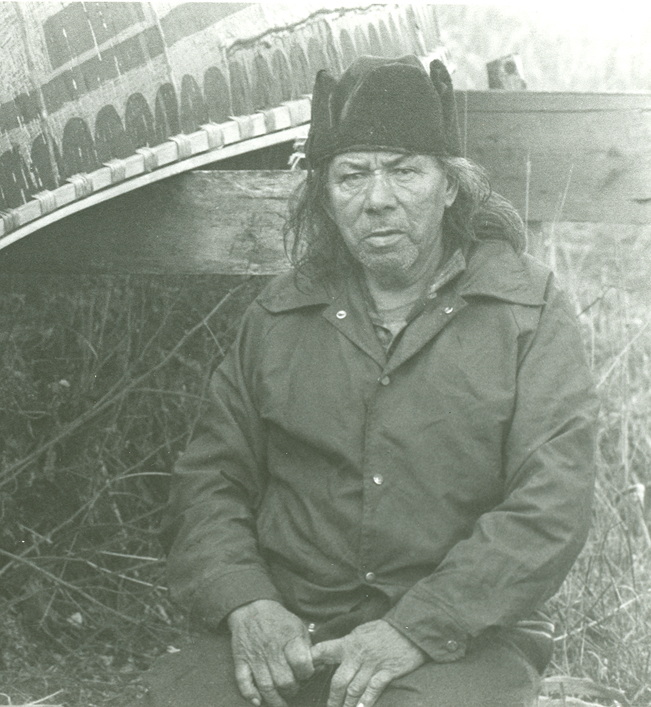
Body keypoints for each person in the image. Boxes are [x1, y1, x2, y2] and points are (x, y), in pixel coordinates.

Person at [144, 55, 598, 707]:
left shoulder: (528, 311)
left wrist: (415, 627)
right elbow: (209, 479)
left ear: (450, 186)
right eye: (353, 174)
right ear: (325, 194)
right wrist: (246, 599)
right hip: (289, 632)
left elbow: (550, 505)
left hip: (456, 644)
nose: (377, 199)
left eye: (405, 170)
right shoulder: (278, 313)